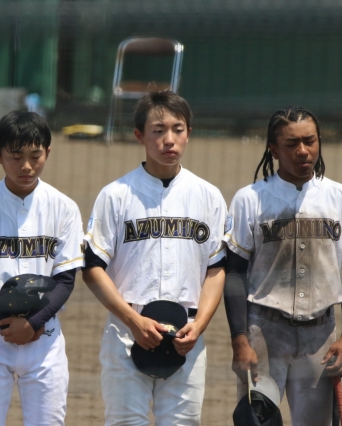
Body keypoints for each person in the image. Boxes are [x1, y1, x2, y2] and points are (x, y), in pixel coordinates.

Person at [223, 106, 342, 426]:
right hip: (264, 333)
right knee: (255, 421)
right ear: (274, 149)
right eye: (291, 144)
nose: (303, 151)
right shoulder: (250, 199)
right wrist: (240, 340)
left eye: (310, 141)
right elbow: (234, 273)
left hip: (320, 338)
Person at [82, 91, 227, 425]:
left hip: (186, 335)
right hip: (126, 331)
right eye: (158, 131)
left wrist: (199, 326)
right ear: (140, 136)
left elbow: (216, 268)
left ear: (189, 133)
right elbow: (92, 268)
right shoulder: (116, 195)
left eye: (178, 129)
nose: (169, 140)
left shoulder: (208, 196)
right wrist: (134, 321)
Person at [0, 111, 84, 425]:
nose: (26, 166)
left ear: (48, 152)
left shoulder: (63, 208)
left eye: (35, 156)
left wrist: (33, 323)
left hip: (45, 335)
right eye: (16, 156)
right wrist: (9, 324)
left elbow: (65, 280)